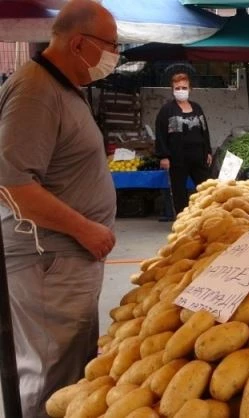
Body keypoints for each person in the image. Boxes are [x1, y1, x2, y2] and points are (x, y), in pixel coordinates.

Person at [0, 1, 118, 416]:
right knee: (53, 378)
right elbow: (11, 184)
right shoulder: (35, 90)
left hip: (64, 260)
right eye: (111, 46)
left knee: (68, 375)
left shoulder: (64, 86)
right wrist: (84, 228)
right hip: (48, 260)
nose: (115, 56)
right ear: (79, 43)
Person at [155, 72, 212, 216]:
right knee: (179, 190)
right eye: (177, 88)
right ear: (173, 90)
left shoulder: (197, 108)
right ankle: (182, 219)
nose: (181, 91)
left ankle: (206, 215)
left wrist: (208, 151)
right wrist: (163, 156)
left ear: (190, 89)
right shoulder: (167, 110)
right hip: (177, 158)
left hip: (198, 156)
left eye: (184, 87)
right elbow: (160, 134)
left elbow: (204, 131)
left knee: (206, 187)